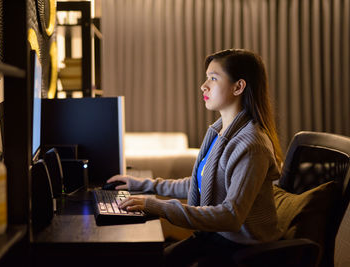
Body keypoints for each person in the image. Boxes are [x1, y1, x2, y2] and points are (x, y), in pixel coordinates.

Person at [107, 49, 284, 266]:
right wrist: (145, 185)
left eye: (213, 78)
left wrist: (156, 206)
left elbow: (231, 215)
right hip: (214, 238)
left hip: (240, 249)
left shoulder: (251, 145)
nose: (203, 85)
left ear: (238, 86)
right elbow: (201, 184)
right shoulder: (221, 133)